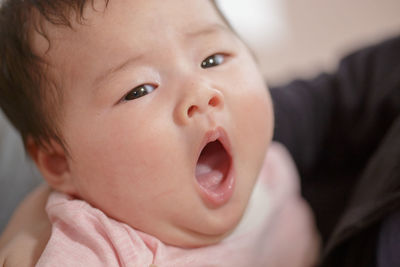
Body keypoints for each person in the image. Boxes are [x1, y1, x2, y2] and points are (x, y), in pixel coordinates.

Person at [0, 0, 319, 266]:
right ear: (59, 162)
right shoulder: (97, 249)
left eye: (213, 59)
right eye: (139, 89)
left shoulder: (272, 169)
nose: (200, 91)